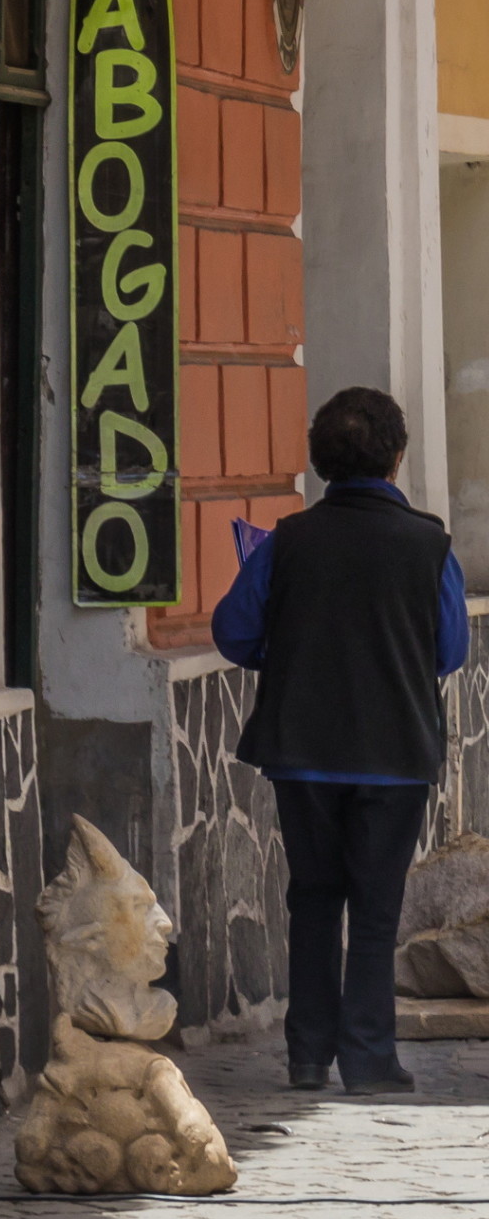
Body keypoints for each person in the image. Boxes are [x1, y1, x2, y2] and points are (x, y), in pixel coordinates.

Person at [212, 387, 468, 1096]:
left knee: (315, 899)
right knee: (376, 911)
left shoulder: (287, 541)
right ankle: (369, 1058)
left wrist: (287, 651)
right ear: (397, 458)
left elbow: (233, 631)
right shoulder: (430, 544)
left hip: (304, 754)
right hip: (396, 756)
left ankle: (307, 1054)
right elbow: (450, 649)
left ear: (321, 461)